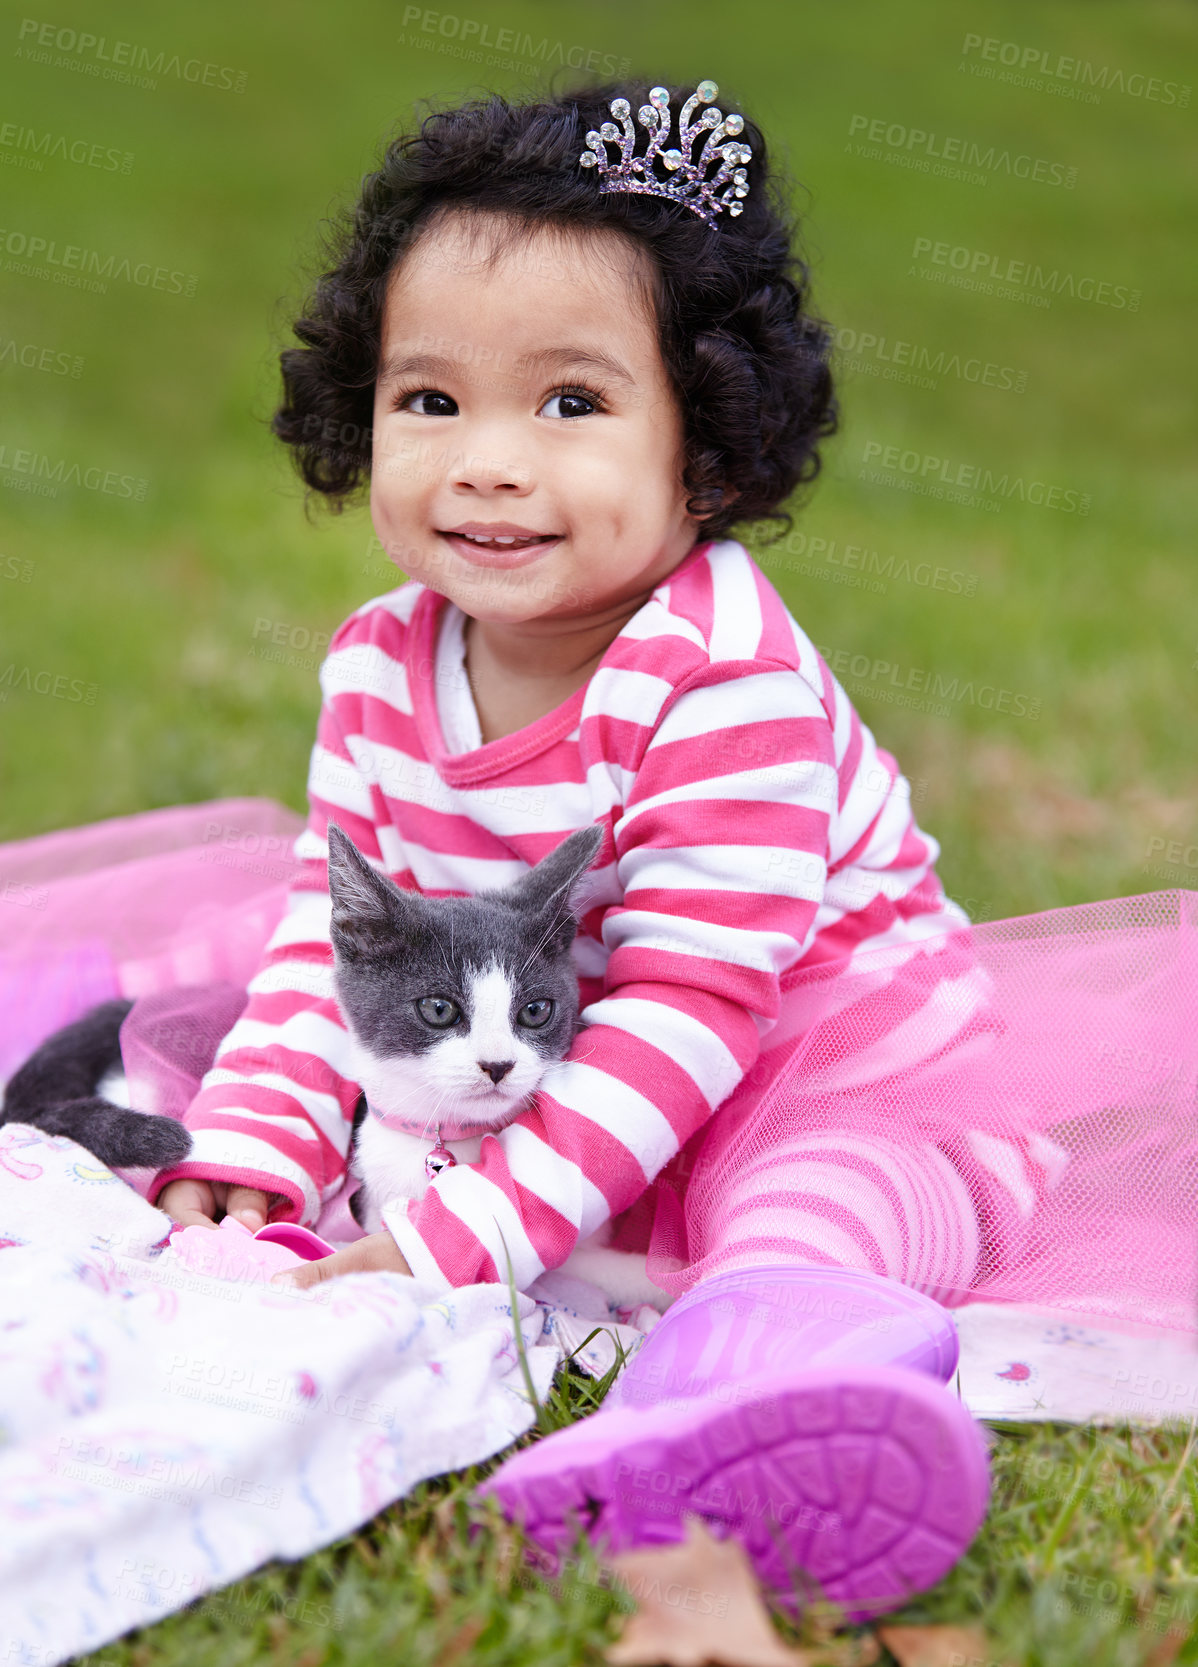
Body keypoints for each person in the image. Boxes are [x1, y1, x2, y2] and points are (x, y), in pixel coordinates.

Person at [5, 79, 1196, 1623]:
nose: (487, 461)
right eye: (430, 402)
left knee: (823, 1200)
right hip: (548, 1053)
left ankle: (746, 1401)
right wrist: (258, 1146)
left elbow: (690, 1014)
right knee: (249, 1040)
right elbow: (332, 931)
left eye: (569, 404)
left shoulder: (720, 684)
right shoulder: (381, 661)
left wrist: (465, 1242)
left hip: (810, 1060)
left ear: (705, 452)